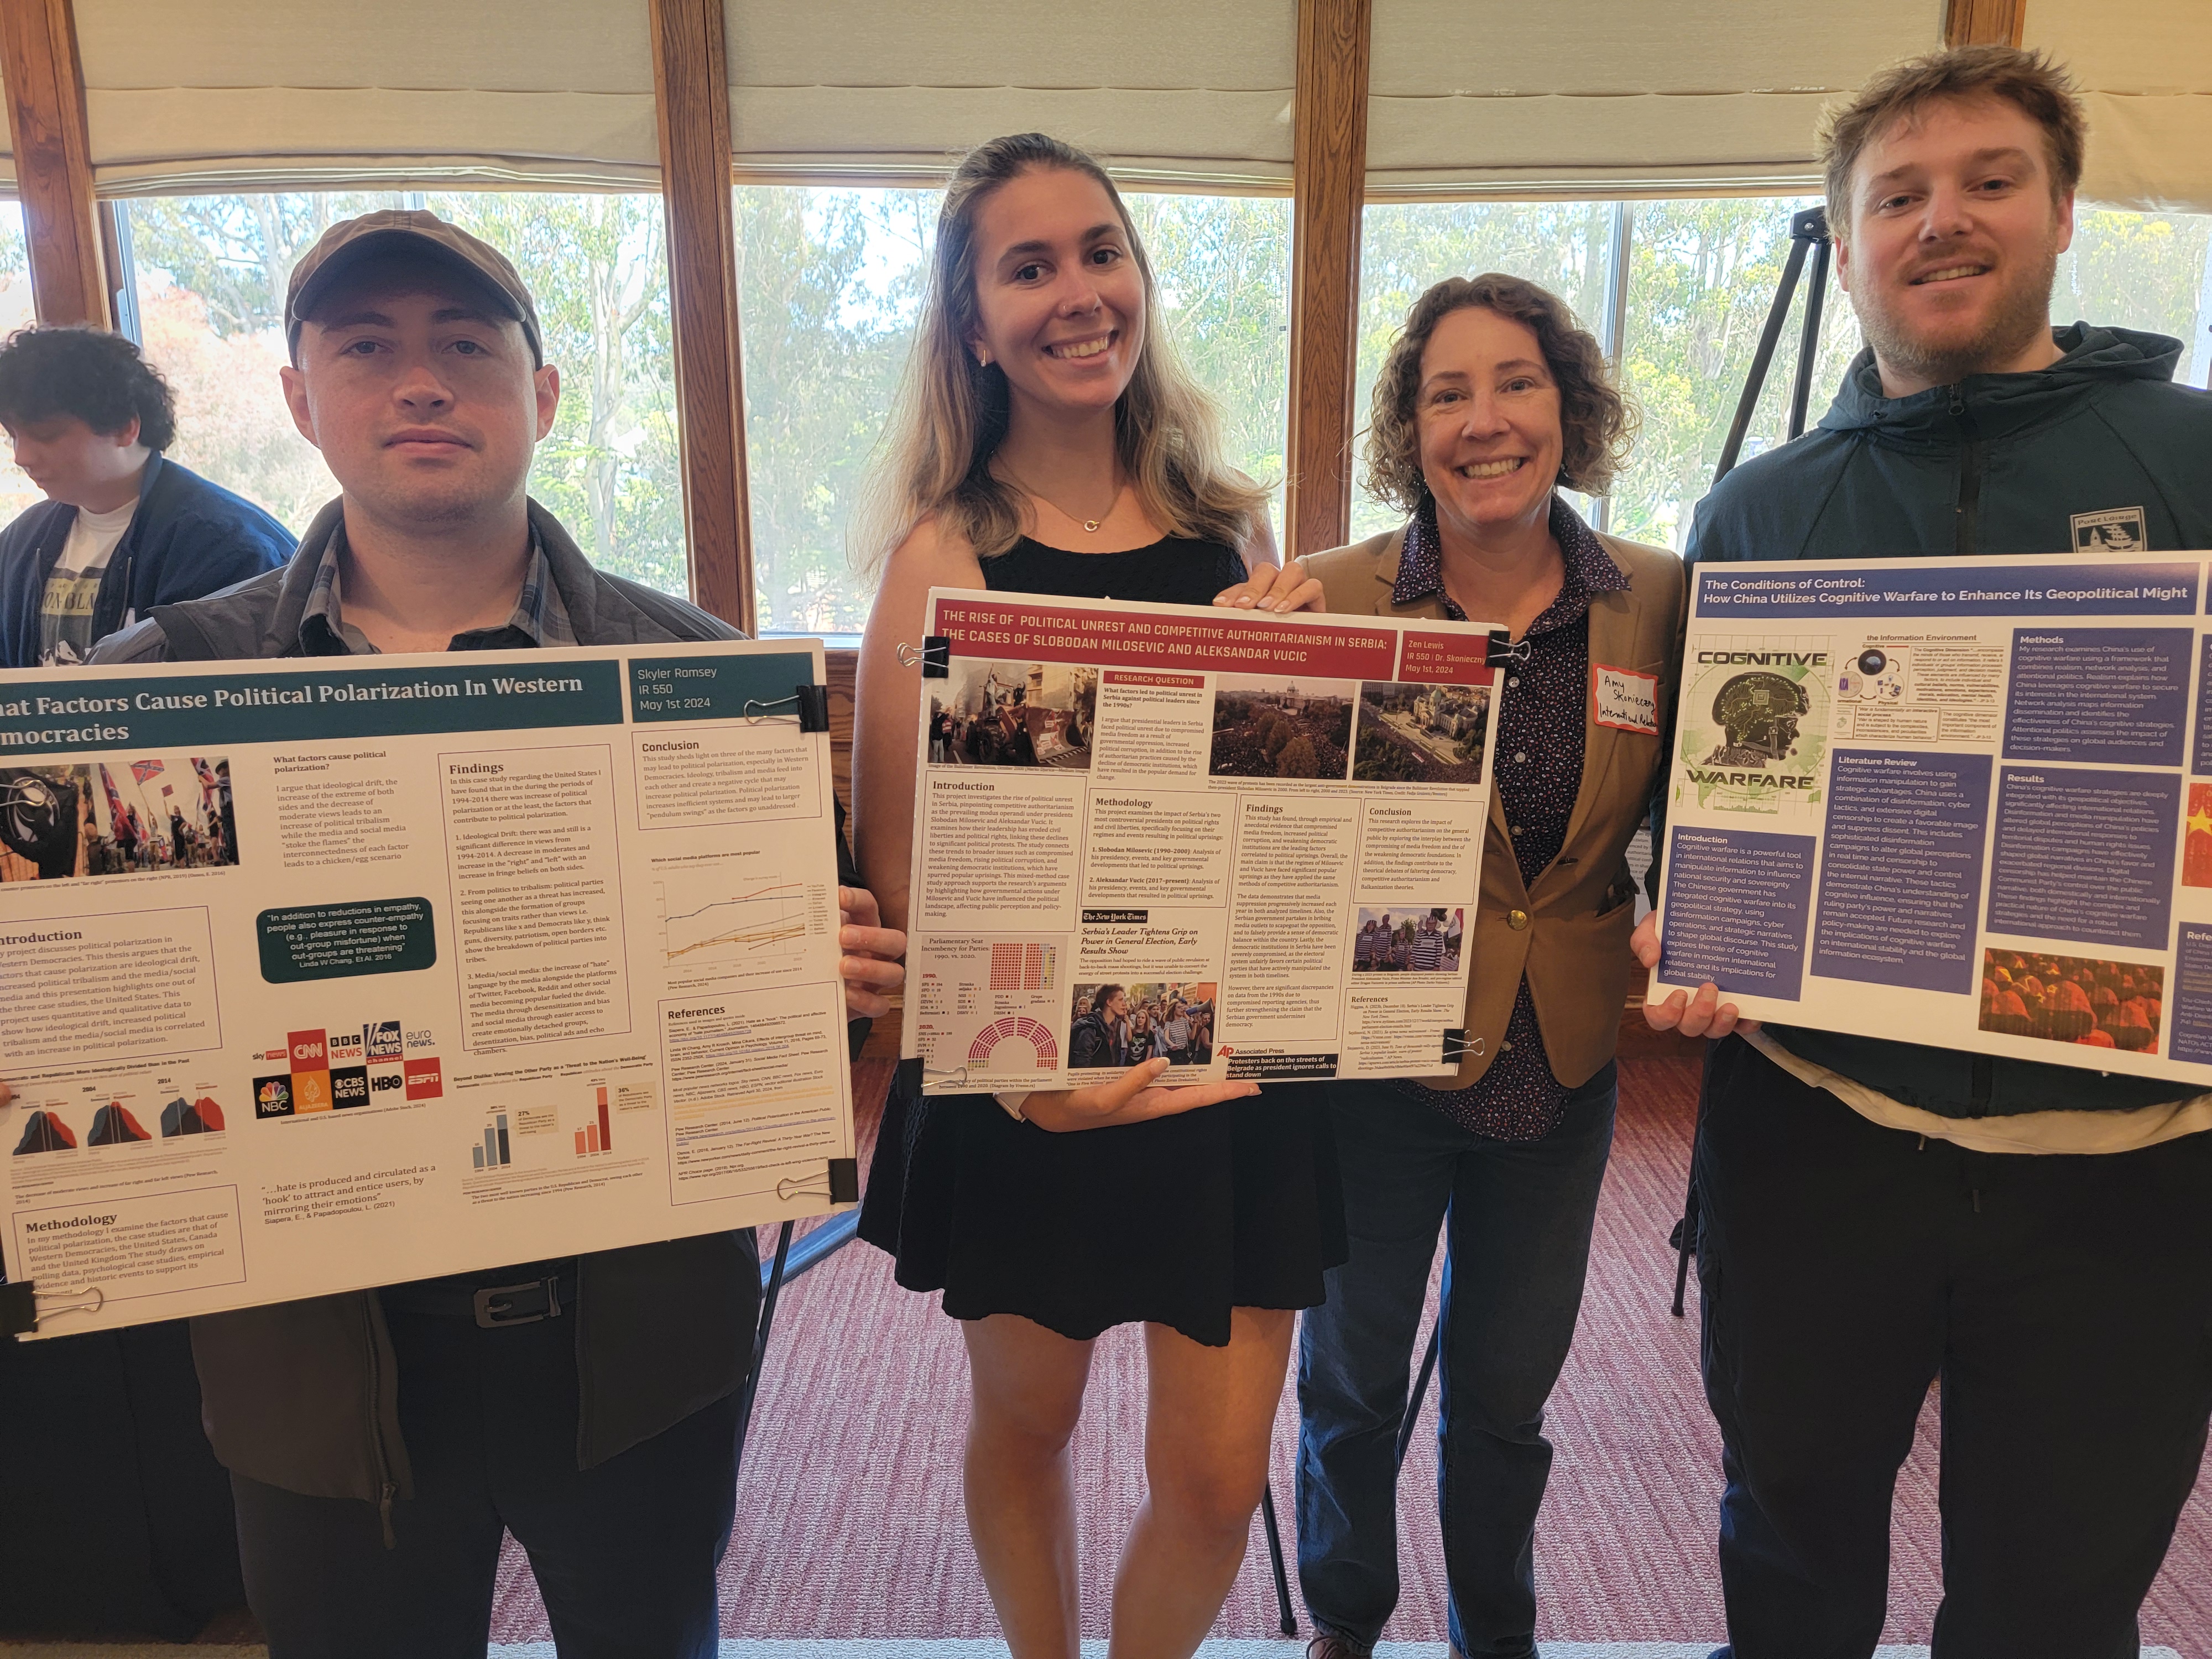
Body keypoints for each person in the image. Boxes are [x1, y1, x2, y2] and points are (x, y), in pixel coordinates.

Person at [76, 208, 906, 1658]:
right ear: (297, 398)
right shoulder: (158, 693)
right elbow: (106, 1041)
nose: (420, 382)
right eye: (367, 349)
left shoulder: (700, 675)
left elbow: (812, 1039)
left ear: (543, 394)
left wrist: (817, 978)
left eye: (465, 346)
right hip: (315, 1371)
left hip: (637, 1351)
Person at [1632, 46, 2212, 1659]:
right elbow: (1698, 812)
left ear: (2062, 212)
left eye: (1987, 181)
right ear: (1847, 232)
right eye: (1897, 194)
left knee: (2052, 1607)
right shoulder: (1755, 512)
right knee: (1792, 1554)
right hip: (1819, 1148)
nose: (1940, 221)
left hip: (2129, 1176)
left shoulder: (2193, 457)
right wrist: (1677, 910)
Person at [850, 132, 1338, 1659]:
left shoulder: (1233, 535)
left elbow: (1277, 846)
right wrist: (1036, 1082)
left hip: (1227, 1086)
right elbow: (909, 876)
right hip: (1027, 1089)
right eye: (1030, 265)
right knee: (1031, 1422)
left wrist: (1314, 697)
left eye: (1101, 252)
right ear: (971, 320)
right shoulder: (943, 559)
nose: (1078, 294)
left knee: (1210, 1483)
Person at [1297, 272, 1683, 1659]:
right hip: (1378, 1063)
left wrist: (1692, 923)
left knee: (1505, 1396)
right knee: (1348, 1375)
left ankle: (1492, 1631)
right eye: (1445, 392)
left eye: (1514, 382)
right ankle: (1344, 1615)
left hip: (1562, 1061)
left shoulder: (1654, 597)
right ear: (1412, 427)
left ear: (1565, 405)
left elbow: (1714, 802)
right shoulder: (1332, 595)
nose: (1484, 420)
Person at [0, 326, 291, 667]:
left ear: (126, 427)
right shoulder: (20, 542)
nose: (22, 457)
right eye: (12, 436)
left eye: (46, 436)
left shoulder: (231, 549)